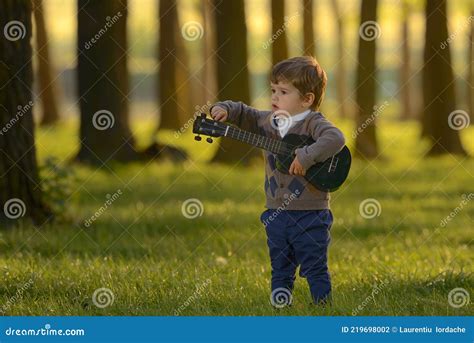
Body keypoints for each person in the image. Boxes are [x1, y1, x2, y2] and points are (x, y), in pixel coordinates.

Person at [210, 56, 345, 306]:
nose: (274, 97)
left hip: (311, 213)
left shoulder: (312, 123)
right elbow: (244, 113)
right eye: (273, 90)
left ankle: (324, 309)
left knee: (314, 267)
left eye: (283, 92)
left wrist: (305, 156)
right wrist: (225, 109)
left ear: (307, 99)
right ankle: (280, 309)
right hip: (275, 214)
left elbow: (336, 138)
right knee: (280, 268)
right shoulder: (268, 121)